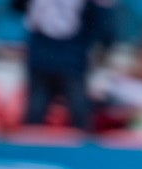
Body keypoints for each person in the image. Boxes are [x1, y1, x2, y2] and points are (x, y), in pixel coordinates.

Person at [23, 0, 112, 131]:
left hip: (57, 58)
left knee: (77, 111)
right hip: (64, 58)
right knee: (38, 111)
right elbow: (101, 23)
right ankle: (30, 147)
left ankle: (30, 147)